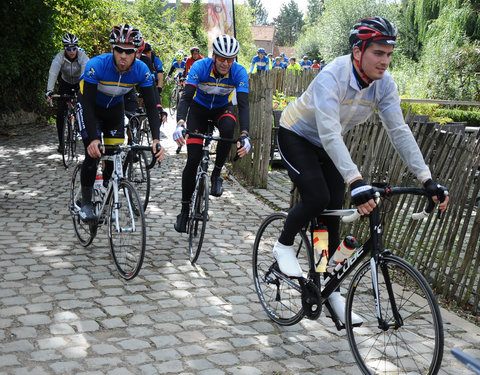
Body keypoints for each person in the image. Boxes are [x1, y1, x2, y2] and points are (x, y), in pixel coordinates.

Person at [272, 16, 449, 326]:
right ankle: (283, 244)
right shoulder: (333, 76)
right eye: (378, 53)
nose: (385, 61)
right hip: (296, 133)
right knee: (316, 197)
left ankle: (328, 290)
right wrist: (356, 180)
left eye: (389, 54)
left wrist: (427, 178)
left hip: (328, 143)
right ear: (358, 52)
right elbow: (328, 132)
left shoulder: (384, 84)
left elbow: (399, 131)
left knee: (329, 221)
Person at [77, 24, 164, 222]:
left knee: (113, 154)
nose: (123, 56)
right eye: (119, 50)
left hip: (114, 109)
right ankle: (87, 203)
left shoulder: (141, 71)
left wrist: (156, 139)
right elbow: (88, 105)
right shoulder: (96, 65)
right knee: (93, 153)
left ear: (136, 53)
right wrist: (92, 139)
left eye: (128, 52)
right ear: (112, 49)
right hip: (90, 107)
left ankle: (106, 191)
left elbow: (151, 106)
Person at [172, 34, 251, 233]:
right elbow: (186, 97)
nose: (225, 63)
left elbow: (243, 105)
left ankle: (216, 173)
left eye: (230, 59)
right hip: (198, 110)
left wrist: (245, 134)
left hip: (221, 110)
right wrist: (180, 122)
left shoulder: (239, 72)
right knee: (193, 161)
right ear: (214, 56)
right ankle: (184, 211)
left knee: (227, 128)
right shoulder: (200, 67)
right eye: (222, 58)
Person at [46, 33, 89, 153]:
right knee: (60, 113)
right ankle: (61, 143)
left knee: (83, 109)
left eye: (74, 48)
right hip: (65, 83)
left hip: (79, 82)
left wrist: (83, 92)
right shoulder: (59, 57)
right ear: (64, 48)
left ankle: (82, 132)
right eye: (69, 48)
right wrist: (49, 90)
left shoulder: (83, 57)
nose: (72, 51)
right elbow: (53, 73)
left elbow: (86, 75)